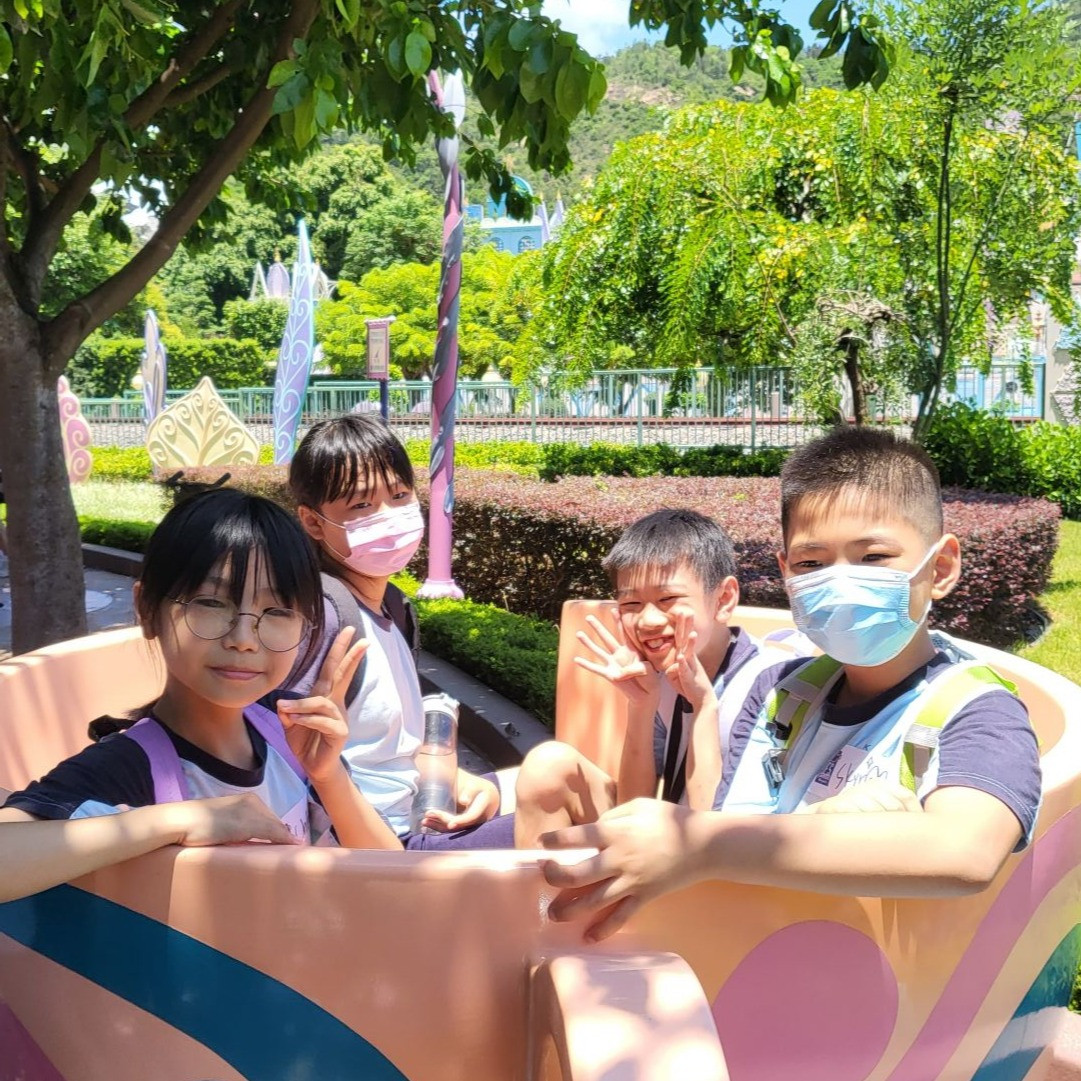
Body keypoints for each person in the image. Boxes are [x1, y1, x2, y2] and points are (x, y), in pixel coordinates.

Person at [539, 426, 1041, 942]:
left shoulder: (977, 710)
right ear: (787, 573)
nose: (840, 581)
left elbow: (966, 851)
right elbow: (730, 814)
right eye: (811, 563)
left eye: (873, 557)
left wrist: (701, 844)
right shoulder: (782, 692)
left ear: (941, 567)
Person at [0, 488, 401, 904]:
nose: (244, 638)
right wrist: (176, 820)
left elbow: (396, 881)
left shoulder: (285, 726)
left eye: (278, 610)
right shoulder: (126, 768)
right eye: (211, 603)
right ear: (147, 610)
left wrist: (328, 776)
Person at [287, 414, 515, 848]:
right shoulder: (325, 617)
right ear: (313, 522)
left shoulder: (393, 606)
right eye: (361, 506)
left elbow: (392, 749)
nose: (389, 516)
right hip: (382, 847)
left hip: (423, 815)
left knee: (560, 770)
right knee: (557, 794)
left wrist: (464, 783)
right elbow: (299, 759)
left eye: (399, 495)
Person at [513, 508, 797, 847]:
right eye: (631, 603)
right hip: (667, 839)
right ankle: (540, 884)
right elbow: (632, 808)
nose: (648, 620)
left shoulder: (772, 684)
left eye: (667, 599)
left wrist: (703, 705)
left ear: (723, 599)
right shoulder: (659, 676)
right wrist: (641, 704)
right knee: (548, 764)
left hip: (727, 852)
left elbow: (712, 831)